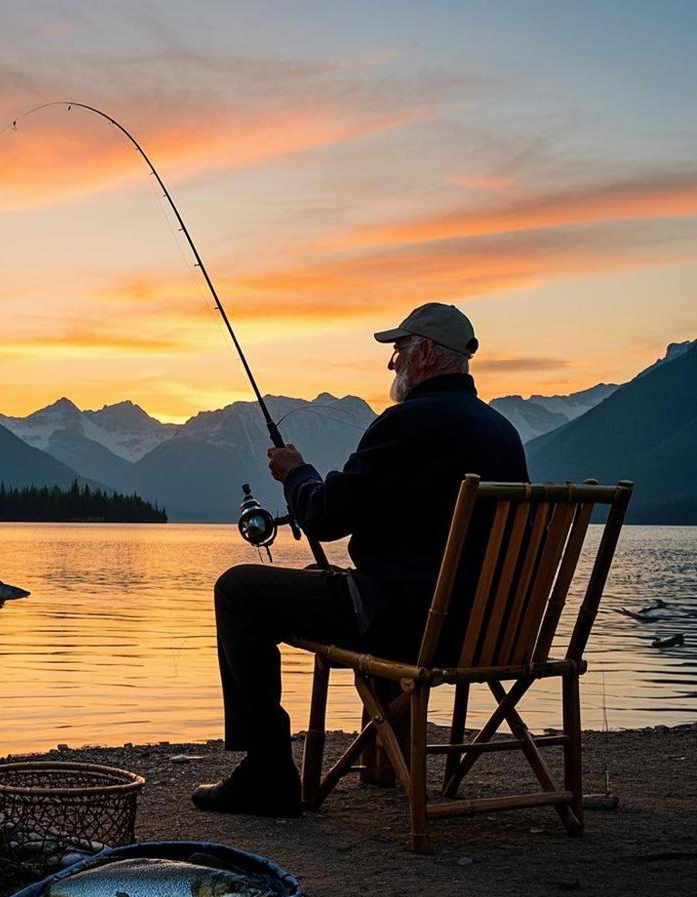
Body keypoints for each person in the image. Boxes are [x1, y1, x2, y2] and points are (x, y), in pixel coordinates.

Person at [191, 302, 528, 817]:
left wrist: (296, 473)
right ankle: (387, 761)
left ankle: (267, 774)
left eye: (398, 351)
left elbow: (326, 517)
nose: (392, 363)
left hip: (410, 626)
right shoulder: (502, 433)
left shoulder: (405, 424)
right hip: (493, 631)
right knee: (327, 582)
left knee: (240, 590)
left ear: (428, 354)